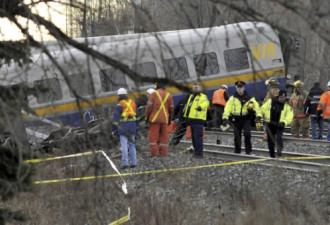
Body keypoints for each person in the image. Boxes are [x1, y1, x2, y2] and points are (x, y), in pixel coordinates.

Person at [222, 81, 262, 154]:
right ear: (236, 88)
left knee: (247, 134)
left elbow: (257, 107)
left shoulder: (250, 98)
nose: (239, 88)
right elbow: (227, 109)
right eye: (238, 87)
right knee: (237, 136)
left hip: (246, 119)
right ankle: (237, 151)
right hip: (236, 120)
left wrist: (258, 116)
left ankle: (248, 151)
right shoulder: (232, 98)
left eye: (241, 87)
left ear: (244, 88)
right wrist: (225, 118)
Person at [261, 90, 293, 158]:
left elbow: (289, 116)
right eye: (281, 97)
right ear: (279, 96)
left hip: (280, 125)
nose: (282, 99)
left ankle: (279, 152)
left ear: (285, 97)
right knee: (270, 140)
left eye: (284, 97)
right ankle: (272, 154)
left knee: (279, 138)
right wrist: (258, 116)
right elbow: (262, 109)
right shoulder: (270, 101)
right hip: (270, 124)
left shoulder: (287, 106)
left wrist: (284, 122)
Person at [111, 88, 138, 169]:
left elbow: (115, 119)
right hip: (132, 127)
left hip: (123, 128)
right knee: (132, 145)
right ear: (126, 95)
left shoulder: (119, 105)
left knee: (124, 146)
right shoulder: (133, 103)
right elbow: (137, 116)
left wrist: (113, 129)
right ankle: (134, 162)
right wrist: (136, 126)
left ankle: (125, 163)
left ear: (119, 96)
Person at [145, 83, 174, 157]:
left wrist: (147, 117)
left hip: (154, 119)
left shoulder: (153, 94)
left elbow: (149, 107)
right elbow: (171, 109)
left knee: (153, 137)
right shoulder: (168, 95)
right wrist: (170, 119)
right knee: (164, 137)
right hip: (165, 119)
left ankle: (154, 154)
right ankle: (163, 153)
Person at [183, 83, 209, 158]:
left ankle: (199, 154)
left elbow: (206, 103)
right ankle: (196, 153)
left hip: (198, 120)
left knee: (198, 138)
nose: (195, 88)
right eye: (194, 87)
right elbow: (188, 108)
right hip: (192, 120)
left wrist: (201, 107)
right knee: (194, 138)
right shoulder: (191, 96)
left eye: (197, 87)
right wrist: (185, 117)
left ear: (200, 88)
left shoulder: (203, 96)